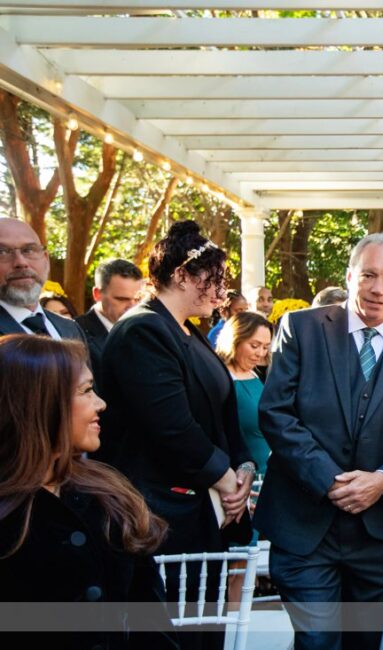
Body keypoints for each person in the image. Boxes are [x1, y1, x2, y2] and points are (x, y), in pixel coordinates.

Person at [255, 233, 383, 650]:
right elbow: (276, 413)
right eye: (369, 275)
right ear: (350, 274)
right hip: (304, 523)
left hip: (379, 535)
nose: (378, 288)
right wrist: (330, 481)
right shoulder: (301, 327)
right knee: (318, 640)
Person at [98, 221, 254, 650]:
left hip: (204, 510)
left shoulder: (189, 331)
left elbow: (223, 415)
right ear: (182, 275)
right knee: (173, 633)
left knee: (206, 629)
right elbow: (171, 426)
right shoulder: (143, 330)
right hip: (161, 511)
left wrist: (242, 468)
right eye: (214, 280)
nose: (220, 292)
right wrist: (224, 479)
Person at [0, 335, 175, 650]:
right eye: (86, 391)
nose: (101, 404)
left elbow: (151, 625)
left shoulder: (109, 497)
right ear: (39, 403)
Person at [0, 218, 87, 343]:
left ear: (46, 259)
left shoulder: (70, 329)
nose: (21, 262)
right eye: (2, 252)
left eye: (29, 250)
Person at [216, 311, 274, 476]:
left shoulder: (254, 374)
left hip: (268, 474)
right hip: (242, 477)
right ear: (235, 340)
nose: (260, 354)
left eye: (265, 347)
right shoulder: (221, 378)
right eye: (254, 346)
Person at [76, 258, 144, 382]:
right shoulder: (75, 333)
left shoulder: (147, 330)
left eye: (138, 299)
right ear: (97, 294)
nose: (133, 306)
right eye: (122, 299)